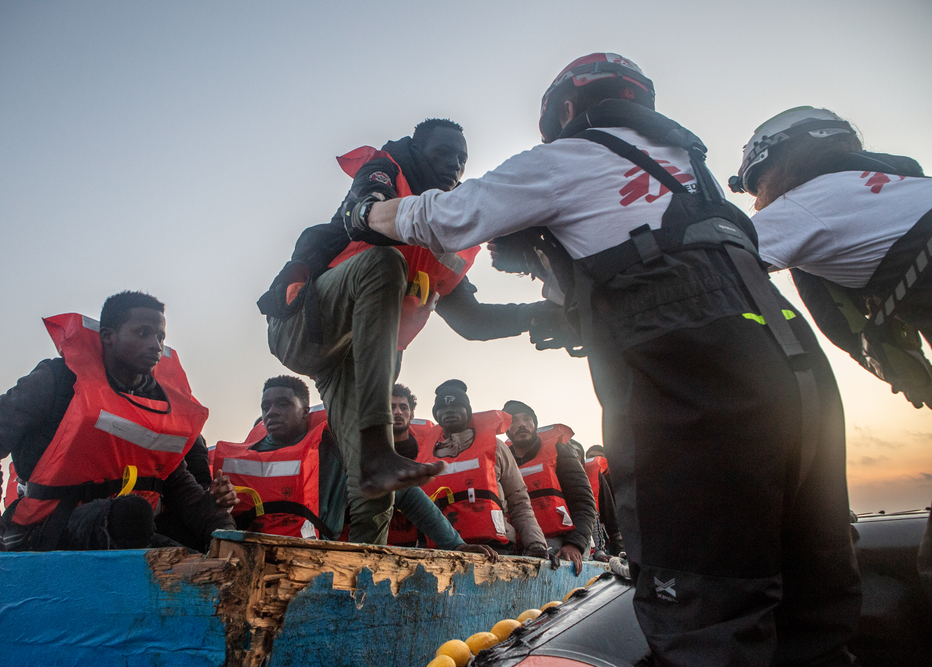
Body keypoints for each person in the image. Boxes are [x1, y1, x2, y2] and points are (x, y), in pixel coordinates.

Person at [360, 54, 860, 665]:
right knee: (812, 613)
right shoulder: (690, 171)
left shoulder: (570, 156)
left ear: (566, 111)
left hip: (692, 381)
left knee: (705, 619)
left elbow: (444, 216)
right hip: (794, 367)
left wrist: (367, 210)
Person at [258, 118, 564, 544]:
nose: (454, 165)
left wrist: (540, 315)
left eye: (462, 159)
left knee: (376, 488)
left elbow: (472, 321)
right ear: (419, 153)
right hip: (302, 327)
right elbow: (363, 210)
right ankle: (377, 443)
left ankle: (366, 569)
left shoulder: (450, 241)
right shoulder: (385, 173)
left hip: (349, 362)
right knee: (385, 264)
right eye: (443, 154)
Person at [0, 292, 235, 590]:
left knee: (213, 548)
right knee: (133, 513)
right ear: (109, 336)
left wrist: (225, 530)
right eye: (143, 333)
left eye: (161, 336)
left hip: (125, 528)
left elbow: (177, 483)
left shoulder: (157, 403)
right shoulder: (58, 381)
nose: (156, 345)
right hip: (47, 528)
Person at [729, 106, 932, 408]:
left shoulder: (804, 203)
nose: (759, 201)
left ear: (776, 163)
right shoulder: (893, 184)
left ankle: (885, 354)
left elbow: (711, 261)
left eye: (758, 184)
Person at [213, 375, 497, 560]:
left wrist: (455, 545)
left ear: (305, 410)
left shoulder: (336, 449)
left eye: (284, 403)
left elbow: (406, 493)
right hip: (249, 558)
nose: (272, 411)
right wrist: (218, 502)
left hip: (318, 560)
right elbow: (212, 516)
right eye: (266, 406)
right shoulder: (241, 460)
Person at [415, 380, 548, 558]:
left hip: (495, 551)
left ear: (467, 412)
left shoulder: (496, 448)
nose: (449, 410)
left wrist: (536, 544)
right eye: (442, 407)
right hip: (440, 551)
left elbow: (519, 502)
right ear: (436, 415)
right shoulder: (423, 456)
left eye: (456, 405)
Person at [503, 400, 594, 575]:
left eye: (527, 419)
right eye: (514, 421)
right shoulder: (502, 458)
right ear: (507, 429)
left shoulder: (559, 450)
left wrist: (574, 544)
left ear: (535, 425)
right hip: (520, 543)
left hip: (562, 538)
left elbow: (583, 501)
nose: (522, 425)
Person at [388, 383, 435, 546]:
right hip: (377, 541)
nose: (398, 412)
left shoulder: (428, 451)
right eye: (391, 407)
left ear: (412, 413)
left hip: (419, 543)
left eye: (403, 407)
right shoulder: (367, 452)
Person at [582, 444, 623, 560]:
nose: (595, 459)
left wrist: (620, 549)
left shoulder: (615, 481)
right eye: (591, 456)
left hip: (609, 542)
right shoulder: (580, 478)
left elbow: (612, 520)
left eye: (600, 457)